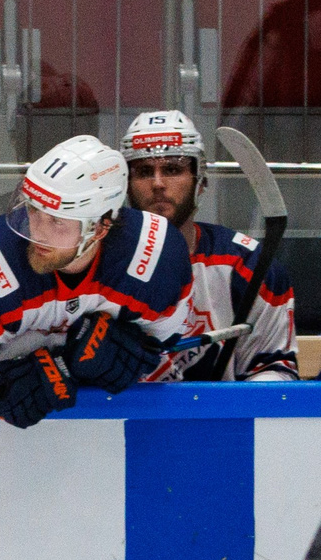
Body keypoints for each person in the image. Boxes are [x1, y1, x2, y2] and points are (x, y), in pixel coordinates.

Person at [0, 135, 194, 427]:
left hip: (112, 425)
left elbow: (162, 353)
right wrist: (3, 386)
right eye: (33, 210)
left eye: (57, 221)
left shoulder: (157, 256)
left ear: (100, 227)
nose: (37, 232)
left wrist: (129, 357)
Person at [120, 111, 299, 384]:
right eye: (144, 171)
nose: (157, 183)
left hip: (229, 413)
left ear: (200, 180)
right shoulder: (97, 263)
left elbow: (276, 373)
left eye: (172, 169)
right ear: (126, 185)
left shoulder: (248, 267)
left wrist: (221, 401)